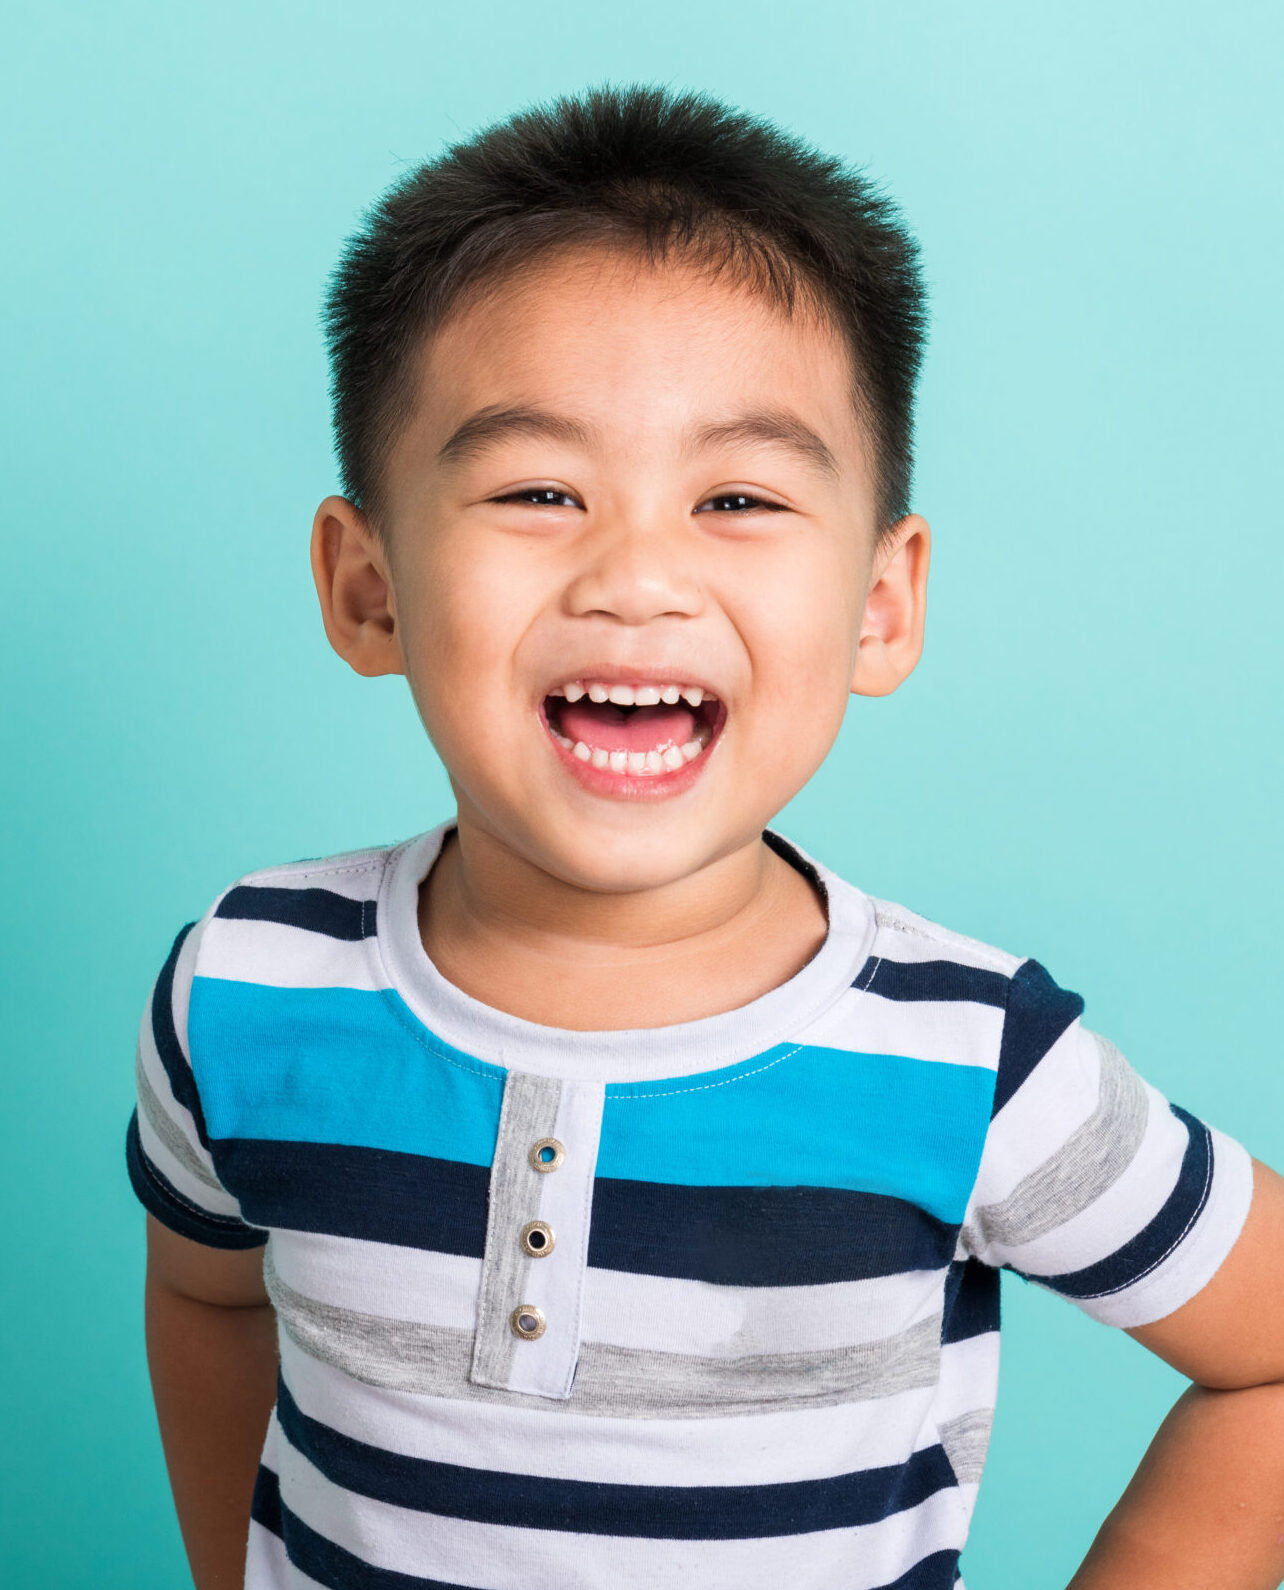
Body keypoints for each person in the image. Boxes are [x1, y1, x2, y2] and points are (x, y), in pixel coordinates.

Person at [125, 84, 1284, 1590]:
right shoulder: (243, 986)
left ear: (882, 602)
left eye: (736, 495)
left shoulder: (977, 1058)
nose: (639, 575)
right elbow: (206, 1300)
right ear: (368, 589)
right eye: (539, 488)